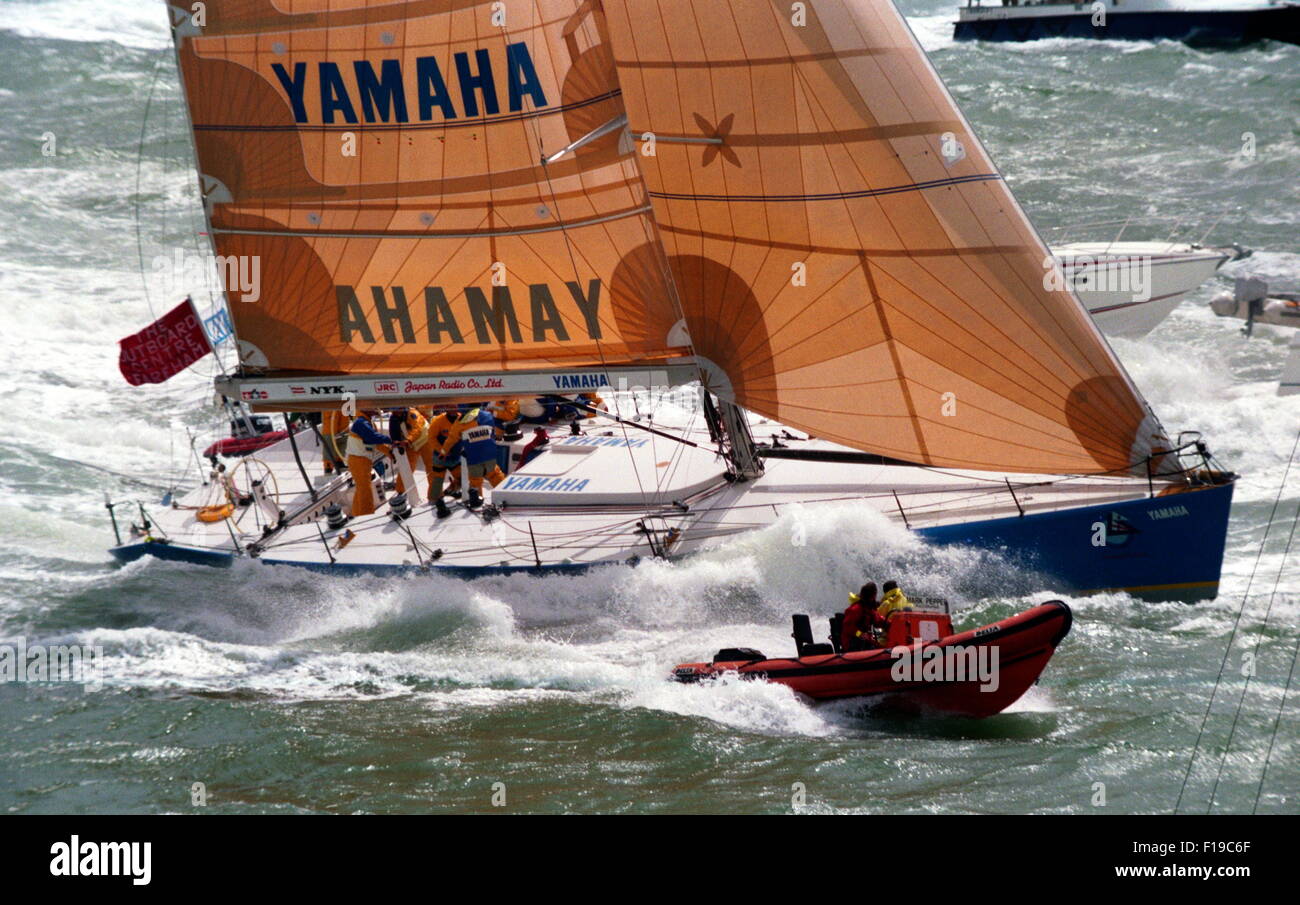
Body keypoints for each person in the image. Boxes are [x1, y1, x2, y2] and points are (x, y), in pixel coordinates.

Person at [431, 406, 505, 513]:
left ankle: (477, 503)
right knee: (494, 474)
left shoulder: (459, 423)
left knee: (475, 480)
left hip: (473, 456)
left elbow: (451, 440)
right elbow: (494, 431)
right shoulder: (486, 415)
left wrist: (443, 452)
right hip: (489, 452)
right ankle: (504, 495)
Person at [343, 400, 392, 517]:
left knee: (361, 489)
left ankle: (356, 514)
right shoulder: (360, 422)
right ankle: (366, 516)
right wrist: (392, 439)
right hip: (358, 460)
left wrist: (390, 452)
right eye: (372, 406)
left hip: (362, 461)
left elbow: (377, 443)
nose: (376, 408)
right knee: (365, 491)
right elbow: (372, 437)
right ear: (365, 408)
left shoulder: (367, 422)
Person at [841, 582, 885, 651]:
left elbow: (878, 621)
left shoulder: (869, 609)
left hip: (864, 641)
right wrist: (860, 634)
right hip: (852, 643)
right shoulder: (855, 609)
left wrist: (890, 623)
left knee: (880, 647)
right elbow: (848, 629)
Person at [320, 408, 349, 474]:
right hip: (330, 403)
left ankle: (339, 461)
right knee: (329, 436)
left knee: (343, 435)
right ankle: (328, 466)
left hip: (345, 402)